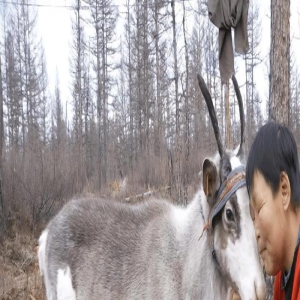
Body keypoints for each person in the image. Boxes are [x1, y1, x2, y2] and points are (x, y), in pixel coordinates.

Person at [245, 122, 300, 300]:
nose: (256, 232)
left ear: (284, 189)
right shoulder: (283, 278)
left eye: (259, 208)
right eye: (252, 218)